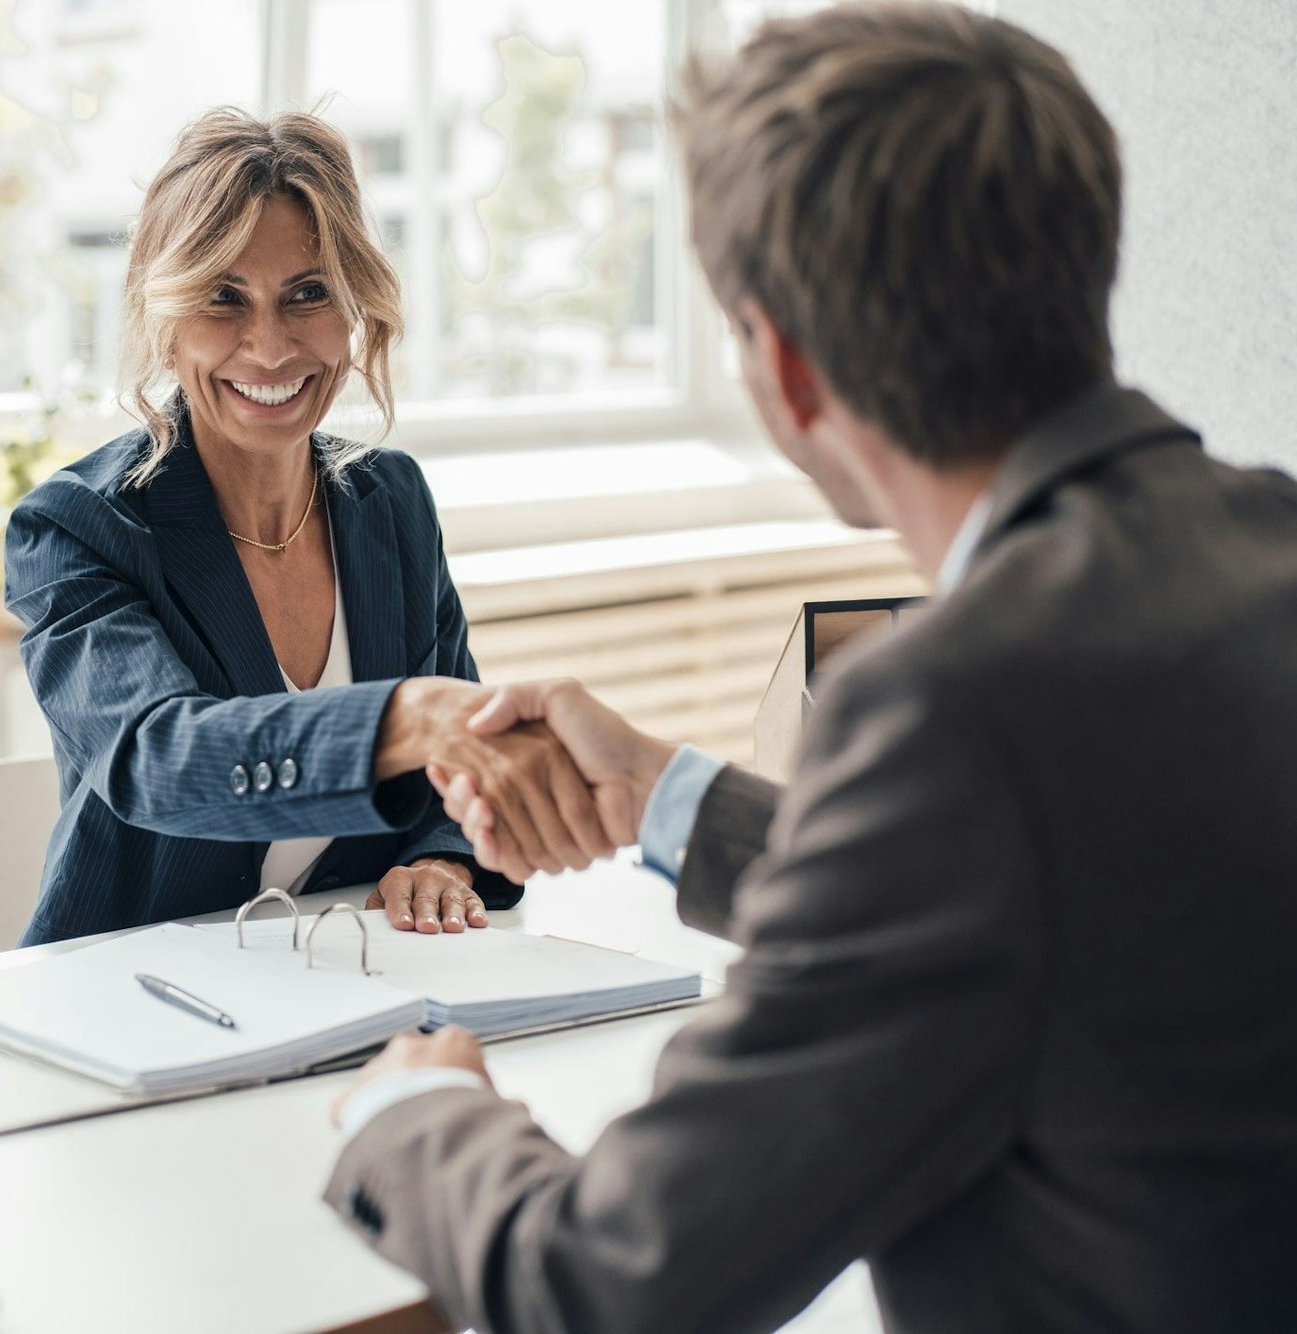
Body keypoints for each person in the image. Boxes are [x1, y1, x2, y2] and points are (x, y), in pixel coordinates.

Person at [323, 5, 1297, 1331]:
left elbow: (616, 1273)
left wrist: (415, 1111)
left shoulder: (955, 708)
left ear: (780, 363)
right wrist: (669, 792)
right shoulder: (1264, 541)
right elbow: (1050, 893)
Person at [3, 109, 614, 946]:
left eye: (307, 294)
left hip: (354, 975)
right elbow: (159, 761)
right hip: (135, 992)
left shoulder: (390, 502)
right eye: (224, 297)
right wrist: (411, 717)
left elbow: (448, 786)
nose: (270, 346)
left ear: (354, 305)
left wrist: (443, 861)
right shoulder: (76, 527)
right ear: (165, 313)